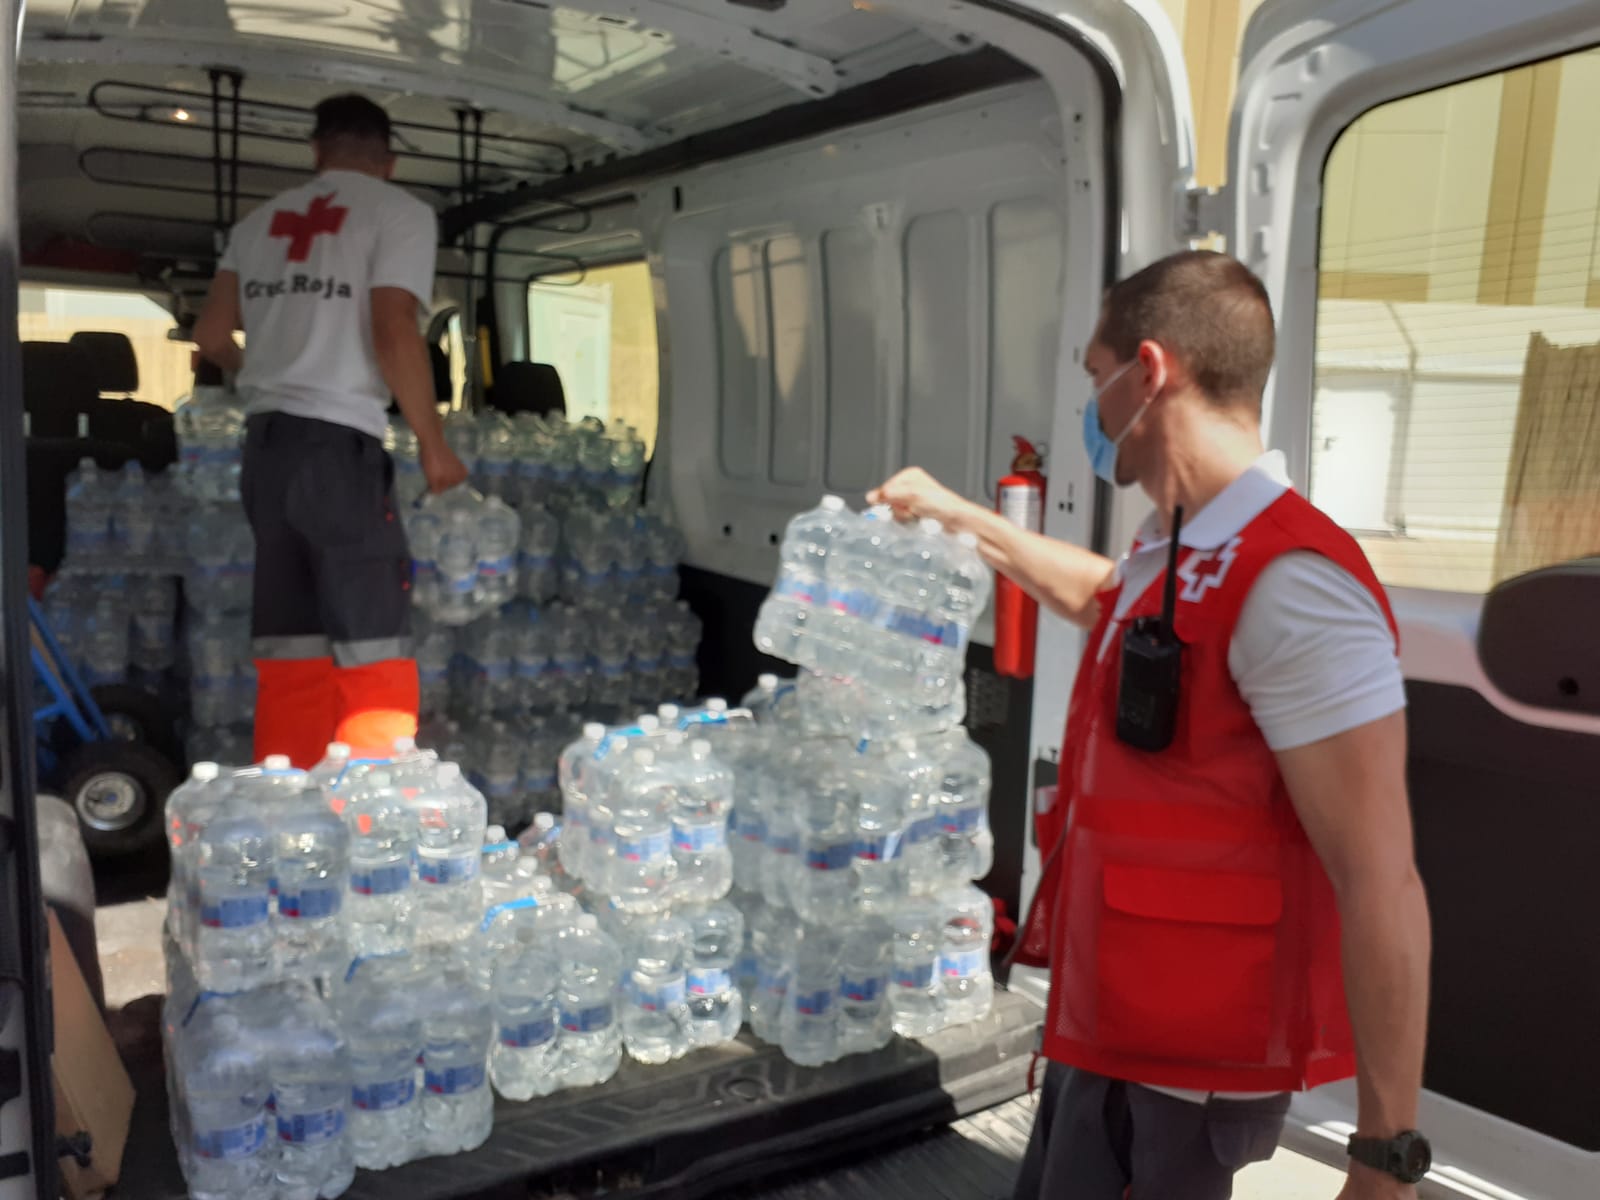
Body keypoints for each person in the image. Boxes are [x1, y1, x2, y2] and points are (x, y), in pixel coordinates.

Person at [870, 250, 1432, 1200]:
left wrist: (1385, 1159)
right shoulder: (1178, 543)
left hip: (1186, 1070)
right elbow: (1103, 599)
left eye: (1097, 378)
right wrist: (959, 516)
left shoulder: (1295, 584)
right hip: (1115, 1020)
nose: (1093, 410)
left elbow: (1380, 877)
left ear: (1151, 370)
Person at [193, 93, 468, 768]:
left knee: (292, 641)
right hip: (337, 453)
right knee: (371, 635)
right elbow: (393, 327)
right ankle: (375, 813)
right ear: (389, 158)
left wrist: (264, 370)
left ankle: (288, 802)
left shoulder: (257, 223)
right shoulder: (399, 213)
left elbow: (208, 335)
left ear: (316, 152)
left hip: (266, 454)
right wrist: (434, 446)